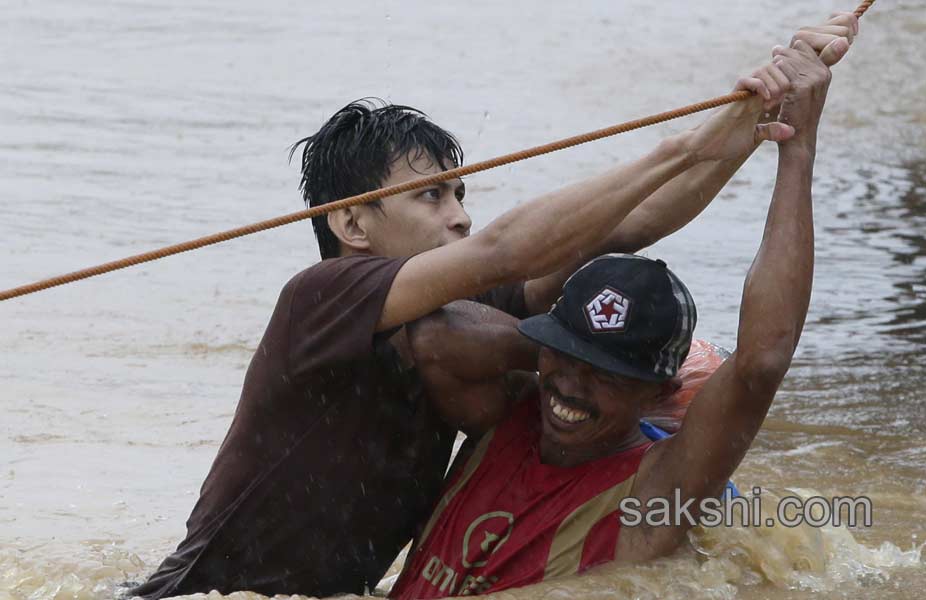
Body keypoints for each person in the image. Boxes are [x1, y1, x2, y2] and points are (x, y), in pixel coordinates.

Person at [130, 12, 857, 598]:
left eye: (461, 193)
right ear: (351, 225)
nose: (460, 217)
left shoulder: (475, 312)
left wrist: (768, 116)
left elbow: (632, 227)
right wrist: (687, 145)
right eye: (430, 197)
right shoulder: (318, 298)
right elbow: (506, 250)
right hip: (203, 592)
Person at [389, 28, 850, 599]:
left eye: (607, 375)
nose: (570, 387)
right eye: (568, 354)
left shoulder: (656, 494)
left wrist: (796, 148)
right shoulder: (507, 412)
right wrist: (544, 355)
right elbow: (433, 337)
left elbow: (761, 361)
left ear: (658, 393)